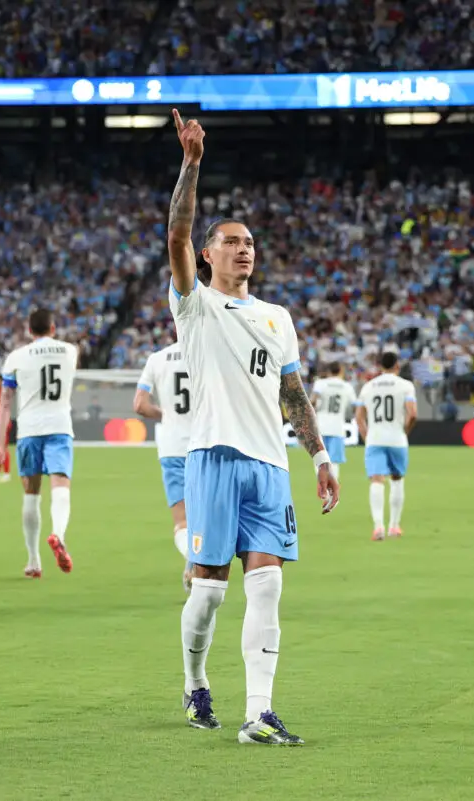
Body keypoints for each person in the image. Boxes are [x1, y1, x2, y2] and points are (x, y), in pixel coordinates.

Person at [167, 109, 339, 746]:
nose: (246, 249)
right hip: (212, 457)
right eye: (233, 242)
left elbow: (292, 391)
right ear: (209, 255)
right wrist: (191, 165)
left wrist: (319, 456)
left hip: (270, 464)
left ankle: (258, 713)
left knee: (267, 583)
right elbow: (177, 232)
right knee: (209, 592)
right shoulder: (195, 304)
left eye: (250, 242)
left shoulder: (278, 316)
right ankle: (194, 683)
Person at [0, 309, 80, 578]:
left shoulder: (17, 357)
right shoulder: (70, 351)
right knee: (61, 486)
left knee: (31, 495)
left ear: (29, 331)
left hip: (29, 430)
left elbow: (5, 401)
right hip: (59, 427)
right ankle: (58, 534)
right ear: (53, 328)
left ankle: (33, 561)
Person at [133, 341, 194, 592]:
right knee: (207, 518)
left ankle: (192, 562)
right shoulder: (210, 350)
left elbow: (139, 405)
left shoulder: (157, 358)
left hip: (172, 449)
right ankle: (198, 564)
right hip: (207, 445)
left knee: (182, 522)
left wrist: (166, 414)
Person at [355, 352, 417, 541]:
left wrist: (367, 438)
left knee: (376, 480)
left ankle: (378, 527)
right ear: (397, 366)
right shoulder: (406, 386)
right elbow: (412, 414)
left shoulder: (368, 387)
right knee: (397, 479)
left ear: (380, 366)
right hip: (397, 439)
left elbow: (359, 417)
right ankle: (394, 527)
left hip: (375, 439)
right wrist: (405, 431)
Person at [309, 362, 356, 481]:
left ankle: (323, 486)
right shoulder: (347, 386)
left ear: (329, 371)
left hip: (320, 427)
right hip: (337, 428)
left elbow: (312, 402)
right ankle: (332, 492)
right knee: (334, 461)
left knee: (319, 459)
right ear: (341, 370)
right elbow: (355, 406)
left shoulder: (320, 384)